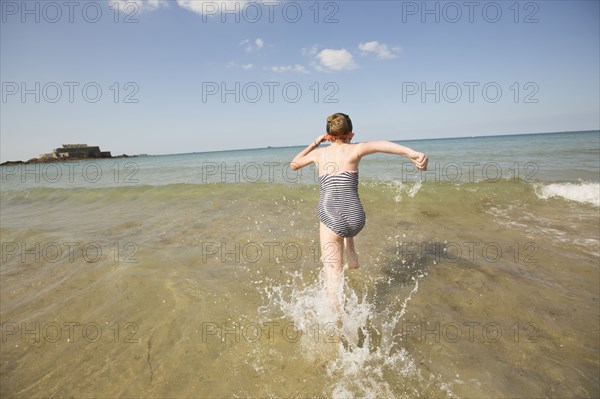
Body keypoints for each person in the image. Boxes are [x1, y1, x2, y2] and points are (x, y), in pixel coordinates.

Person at [290, 113, 429, 315]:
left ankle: (336, 325)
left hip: (331, 218)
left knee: (333, 275)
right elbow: (382, 145)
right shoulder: (356, 149)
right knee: (345, 205)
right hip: (356, 219)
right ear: (351, 134)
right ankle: (352, 256)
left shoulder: (318, 154)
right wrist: (412, 153)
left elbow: (294, 164)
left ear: (328, 136)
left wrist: (314, 143)